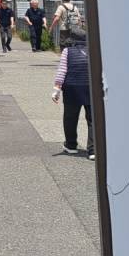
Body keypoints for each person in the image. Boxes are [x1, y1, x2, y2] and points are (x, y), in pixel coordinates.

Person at [52, 20, 94, 158]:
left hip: (72, 88)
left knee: (70, 117)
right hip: (91, 88)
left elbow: (62, 70)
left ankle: (71, 145)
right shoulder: (93, 51)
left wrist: (56, 89)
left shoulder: (67, 51)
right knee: (92, 119)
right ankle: (93, 150)